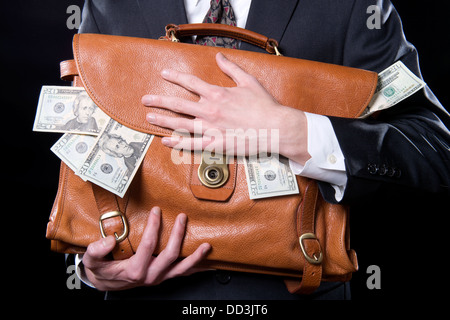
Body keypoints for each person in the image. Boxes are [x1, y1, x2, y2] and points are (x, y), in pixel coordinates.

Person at [73, 0, 450, 300]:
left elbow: (433, 151)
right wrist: (93, 271)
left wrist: (287, 129)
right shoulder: (109, 4)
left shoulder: (352, 6)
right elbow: (81, 147)